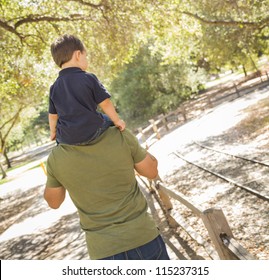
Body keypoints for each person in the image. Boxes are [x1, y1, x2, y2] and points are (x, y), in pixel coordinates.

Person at [44, 126, 170, 260]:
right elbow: (152, 171)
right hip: (143, 236)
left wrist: (57, 175)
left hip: (104, 250)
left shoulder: (56, 157)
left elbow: (54, 202)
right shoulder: (119, 135)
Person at [49, 34, 125, 145]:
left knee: (60, 139)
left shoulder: (53, 88)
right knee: (108, 120)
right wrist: (117, 121)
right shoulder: (88, 78)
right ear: (78, 55)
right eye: (86, 56)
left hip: (68, 137)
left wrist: (53, 133)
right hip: (91, 130)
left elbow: (52, 115)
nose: (86, 60)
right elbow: (105, 103)